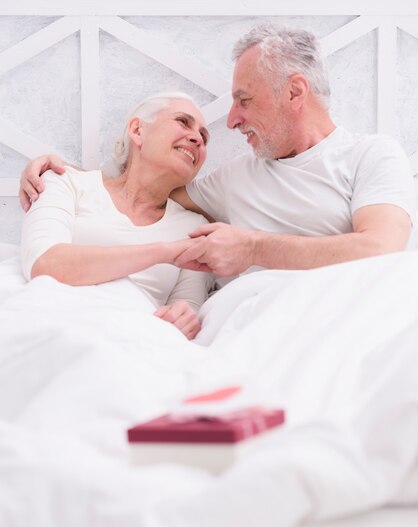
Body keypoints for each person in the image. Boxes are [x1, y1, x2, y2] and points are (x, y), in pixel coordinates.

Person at [19, 24, 416, 278]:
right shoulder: (234, 180)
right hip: (255, 327)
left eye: (244, 100)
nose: (231, 121)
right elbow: (141, 191)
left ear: (294, 92)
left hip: (349, 315)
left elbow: (380, 248)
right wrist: (66, 176)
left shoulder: (373, 155)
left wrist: (254, 247)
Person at [20, 92, 212, 339]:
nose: (197, 138)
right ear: (137, 130)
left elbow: (186, 310)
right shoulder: (63, 180)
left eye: (204, 138)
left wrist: (185, 318)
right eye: (183, 122)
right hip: (56, 327)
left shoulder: (195, 229)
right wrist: (164, 252)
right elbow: (44, 263)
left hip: (128, 341)